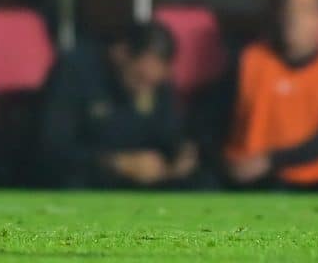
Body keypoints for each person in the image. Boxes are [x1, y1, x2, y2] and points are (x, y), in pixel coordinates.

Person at [223, 0, 318, 190]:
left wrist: (271, 160)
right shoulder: (249, 61)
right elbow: (215, 120)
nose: (294, 17)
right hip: (251, 181)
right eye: (289, 8)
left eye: (305, 10)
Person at [38, 22, 201, 189]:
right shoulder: (75, 72)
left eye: (153, 83)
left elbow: (170, 135)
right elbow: (54, 148)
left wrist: (181, 156)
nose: (145, 90)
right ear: (120, 53)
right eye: (139, 77)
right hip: (88, 179)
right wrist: (118, 163)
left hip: (144, 184)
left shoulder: (158, 84)